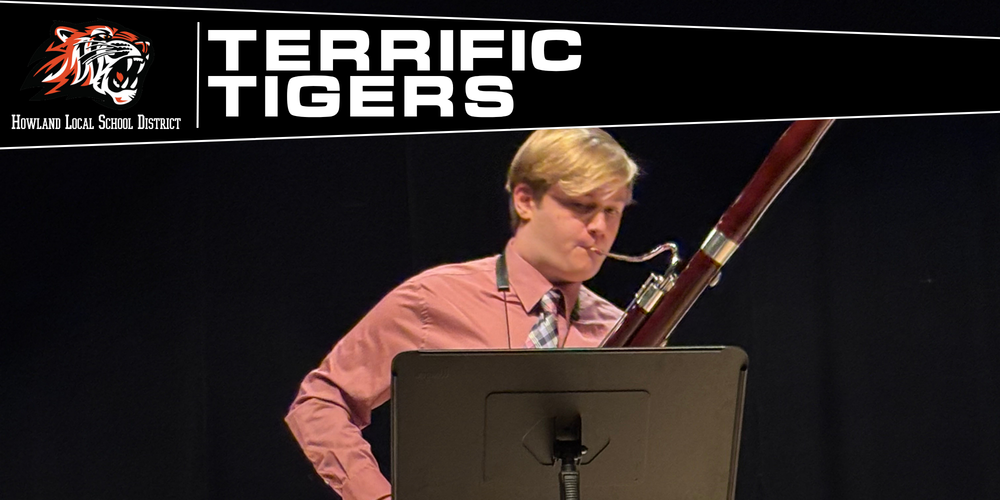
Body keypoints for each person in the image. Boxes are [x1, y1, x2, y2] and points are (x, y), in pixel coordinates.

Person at [285, 128, 640, 500]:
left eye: (612, 211)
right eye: (582, 206)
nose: (599, 228)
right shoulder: (434, 298)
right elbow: (322, 400)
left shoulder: (621, 327)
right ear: (525, 200)